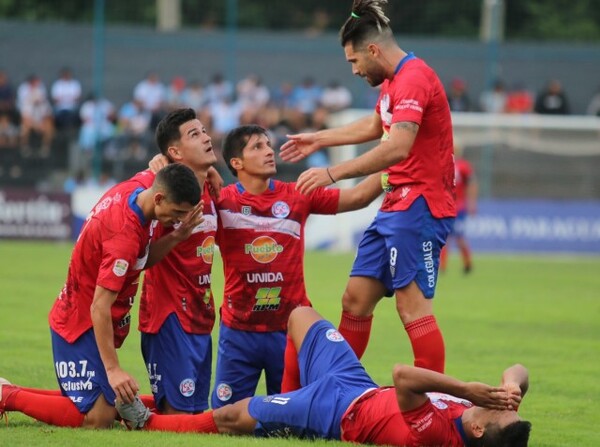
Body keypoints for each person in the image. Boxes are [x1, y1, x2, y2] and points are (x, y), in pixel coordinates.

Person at [280, 0, 455, 372]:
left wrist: (334, 171)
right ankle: (339, 389)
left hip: (420, 206)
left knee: (412, 308)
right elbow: (376, 127)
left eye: (354, 61)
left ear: (373, 49)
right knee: (355, 300)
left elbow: (398, 145)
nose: (355, 70)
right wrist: (320, 139)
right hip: (395, 205)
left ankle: (438, 406)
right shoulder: (394, 82)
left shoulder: (415, 78)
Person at [114, 306, 532, 447]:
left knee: (229, 417)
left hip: (337, 411)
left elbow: (403, 375)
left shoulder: (438, 435)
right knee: (299, 315)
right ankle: (291, 399)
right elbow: (520, 369)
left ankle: (148, 423)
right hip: (357, 385)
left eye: (497, 407)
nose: (498, 400)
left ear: (477, 429)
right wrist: (512, 384)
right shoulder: (483, 416)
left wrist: (465, 388)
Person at [0, 163, 203, 429]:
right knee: (97, 417)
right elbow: (99, 306)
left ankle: (11, 389)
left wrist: (177, 236)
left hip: (92, 318)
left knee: (98, 401)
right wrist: (113, 370)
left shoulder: (139, 189)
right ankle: (7, 396)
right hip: (78, 323)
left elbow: (141, 259)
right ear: (159, 198)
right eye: (177, 212)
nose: (178, 219)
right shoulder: (124, 236)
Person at [205, 124, 382, 408]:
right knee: (226, 418)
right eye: (258, 147)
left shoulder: (297, 194)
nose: (269, 151)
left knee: (294, 418)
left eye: (268, 145)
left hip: (289, 331)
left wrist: (393, 162)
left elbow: (358, 197)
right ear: (236, 163)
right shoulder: (222, 202)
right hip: (239, 331)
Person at [131, 108, 219, 415]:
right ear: (174, 152)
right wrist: (155, 170)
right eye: (195, 134)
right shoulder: (161, 188)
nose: (206, 137)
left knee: (192, 415)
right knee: (180, 420)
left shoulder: (209, 186)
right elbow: (140, 255)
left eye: (204, 130)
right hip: (169, 318)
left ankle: (117, 407)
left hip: (201, 316)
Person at [440, 145, 477, 274]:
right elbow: (472, 185)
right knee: (454, 237)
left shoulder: (456, 166)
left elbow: (471, 185)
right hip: (453, 207)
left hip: (454, 207)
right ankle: (465, 265)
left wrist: (471, 203)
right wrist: (472, 203)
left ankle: (446, 267)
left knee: (448, 237)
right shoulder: (462, 166)